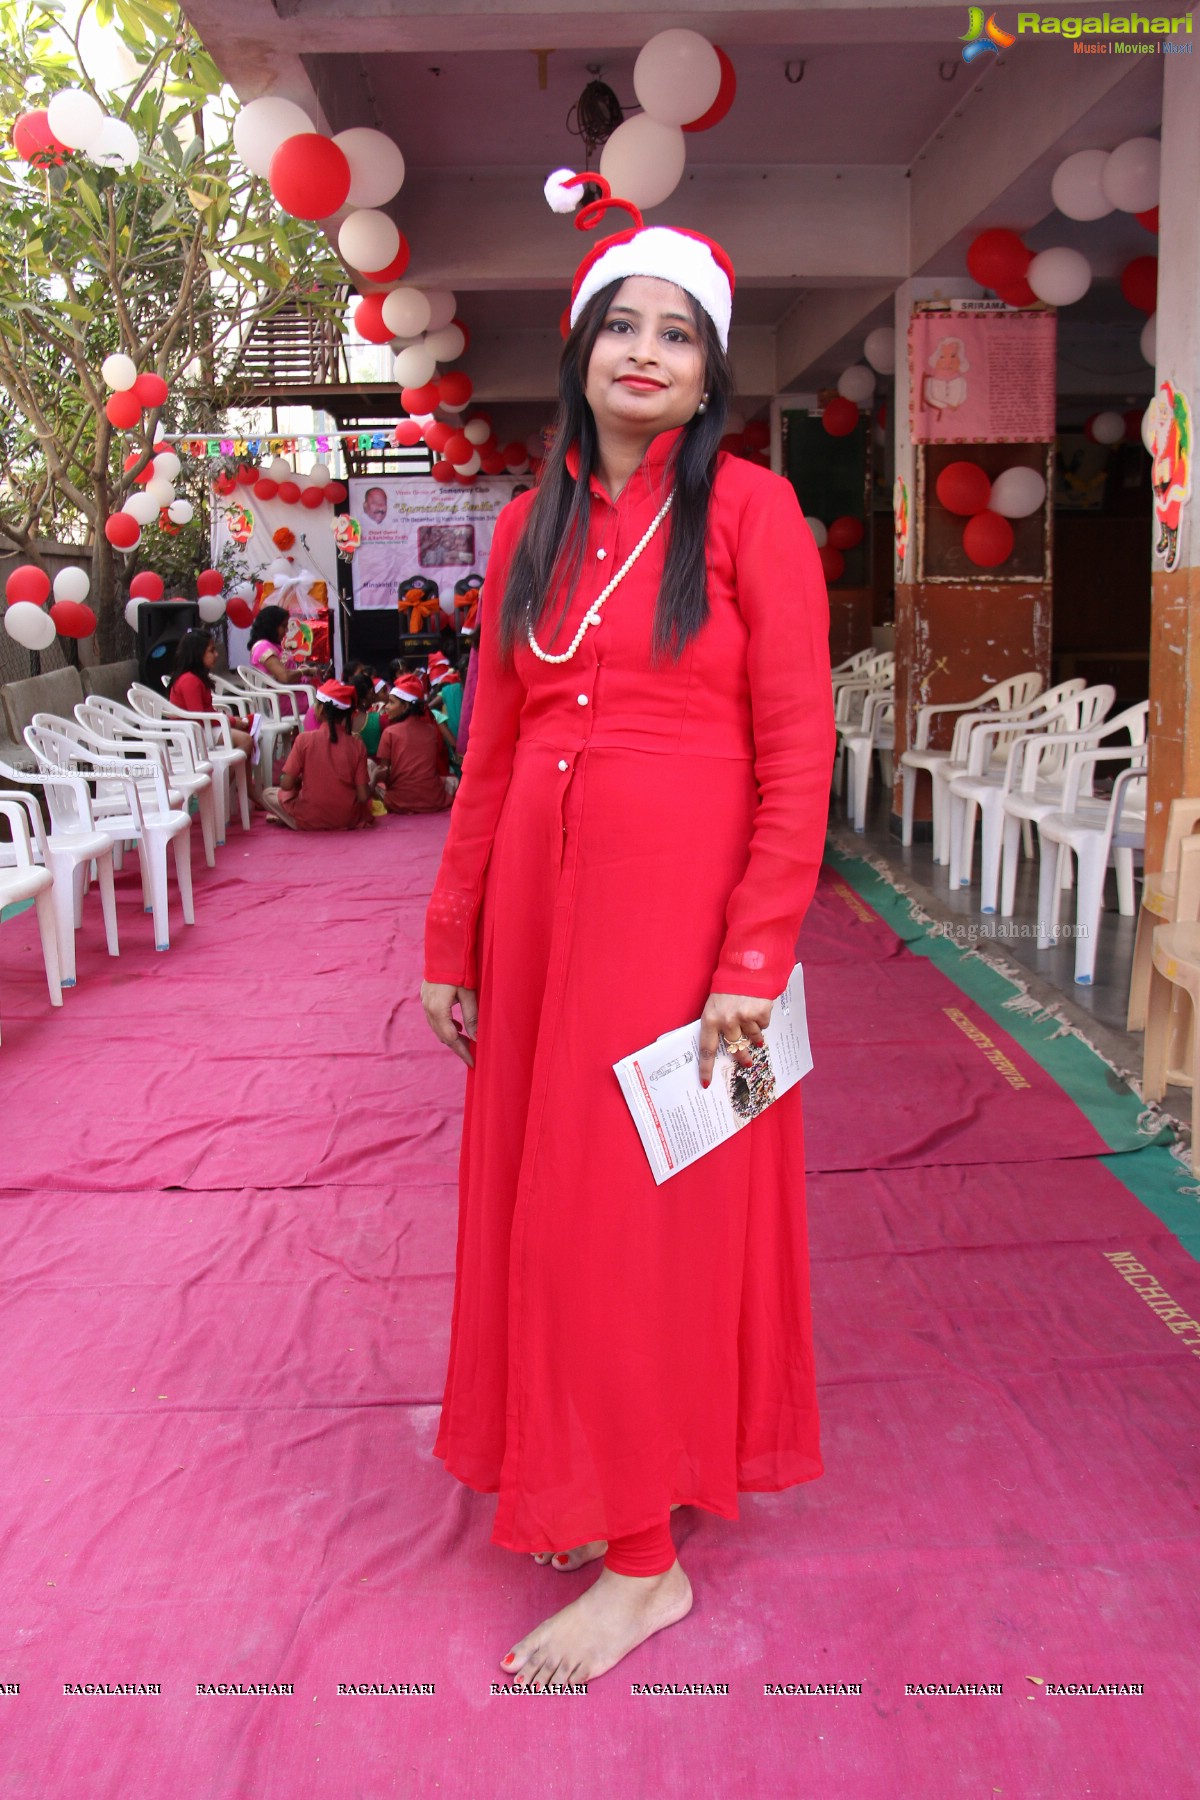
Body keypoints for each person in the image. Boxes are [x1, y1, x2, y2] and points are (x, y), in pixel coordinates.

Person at [420, 178, 835, 1689]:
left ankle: (644, 1566)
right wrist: (451, 936)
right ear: (583, 344)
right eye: (623, 325)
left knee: (635, 1225)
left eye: (680, 333)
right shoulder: (528, 523)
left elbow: (799, 755)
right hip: (540, 923)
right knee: (552, 1213)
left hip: (677, 928)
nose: (646, 351)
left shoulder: (753, 509)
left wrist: (751, 958)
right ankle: (583, 1471)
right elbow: (493, 750)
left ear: (712, 371)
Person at [167, 629, 264, 807]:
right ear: (197, 654)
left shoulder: (194, 678)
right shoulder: (189, 680)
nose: (216, 654)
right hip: (194, 734)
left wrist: (231, 721)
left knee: (247, 734)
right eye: (211, 650)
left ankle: (242, 789)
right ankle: (220, 790)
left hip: (202, 728)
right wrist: (234, 721)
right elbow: (200, 716)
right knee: (245, 741)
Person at [261, 679, 373, 831]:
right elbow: (362, 796)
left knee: (268, 794)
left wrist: (298, 782)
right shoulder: (357, 744)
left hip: (310, 818)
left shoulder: (304, 740)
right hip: (347, 818)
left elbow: (285, 784)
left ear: (320, 710)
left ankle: (288, 818)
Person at [373, 673, 457, 813]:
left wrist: (374, 779)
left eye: (392, 702)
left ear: (405, 706)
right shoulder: (430, 730)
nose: (387, 707)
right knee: (451, 781)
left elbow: (384, 772)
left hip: (399, 802)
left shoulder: (390, 732)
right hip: (433, 800)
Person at [246, 605, 325, 717]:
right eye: (283, 626)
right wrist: (305, 672)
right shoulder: (263, 647)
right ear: (271, 627)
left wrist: (303, 670)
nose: (286, 630)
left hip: (296, 693)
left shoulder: (272, 645)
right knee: (333, 703)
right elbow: (284, 676)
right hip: (288, 699)